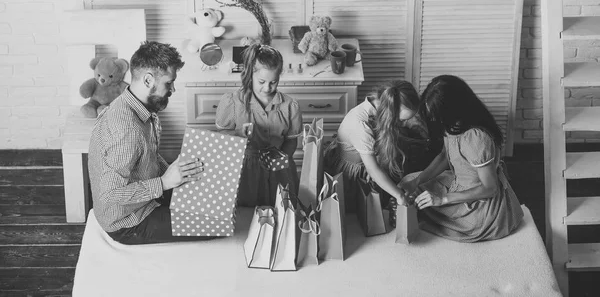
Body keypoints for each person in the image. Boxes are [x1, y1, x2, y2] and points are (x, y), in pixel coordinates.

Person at [88, 41, 209, 245]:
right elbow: (109, 194)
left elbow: (145, 156)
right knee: (212, 223)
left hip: (146, 197)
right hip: (127, 222)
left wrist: (173, 171)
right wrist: (164, 183)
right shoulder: (127, 130)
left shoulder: (135, 105)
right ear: (148, 80)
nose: (172, 89)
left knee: (207, 200)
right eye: (168, 83)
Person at [401, 74, 524, 242]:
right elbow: (445, 156)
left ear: (453, 109)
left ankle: (457, 220)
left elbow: (490, 188)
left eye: (436, 114)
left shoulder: (475, 138)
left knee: (424, 205)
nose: (434, 119)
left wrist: (442, 199)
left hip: (479, 203)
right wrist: (418, 181)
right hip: (457, 183)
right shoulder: (451, 125)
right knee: (411, 181)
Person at [215, 43, 303, 207]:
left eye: (273, 82)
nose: (267, 88)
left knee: (280, 208)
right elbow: (221, 137)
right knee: (248, 213)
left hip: (279, 169)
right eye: (261, 81)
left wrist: (282, 158)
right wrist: (239, 134)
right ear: (250, 75)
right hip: (246, 168)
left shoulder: (290, 106)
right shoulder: (233, 102)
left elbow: (291, 140)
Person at [324, 80, 429, 208]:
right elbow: (373, 169)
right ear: (390, 112)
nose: (402, 125)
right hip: (351, 174)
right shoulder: (361, 126)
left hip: (367, 162)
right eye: (401, 120)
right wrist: (399, 196)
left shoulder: (380, 105)